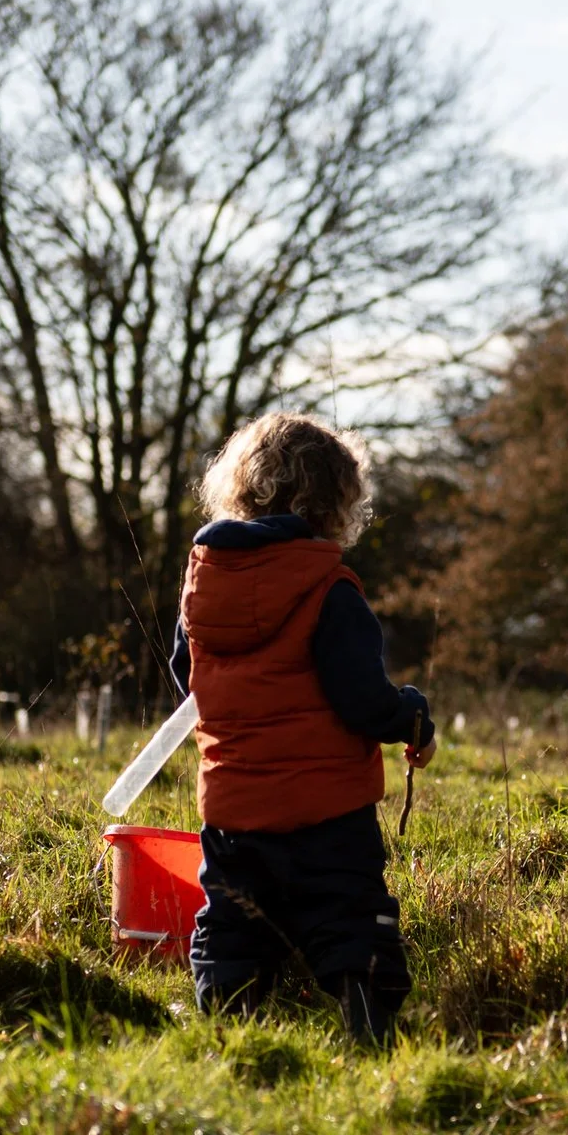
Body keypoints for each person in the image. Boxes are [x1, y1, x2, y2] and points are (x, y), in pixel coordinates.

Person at [166, 412, 436, 1045]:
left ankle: (231, 1025)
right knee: (349, 917)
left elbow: (191, 682)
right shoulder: (331, 588)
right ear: (336, 502)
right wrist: (413, 714)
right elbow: (363, 701)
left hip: (233, 811)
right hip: (328, 813)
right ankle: (366, 1021)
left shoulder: (203, 585)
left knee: (233, 922)